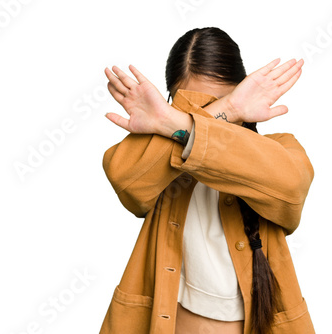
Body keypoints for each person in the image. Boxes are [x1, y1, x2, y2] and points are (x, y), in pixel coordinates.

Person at [100, 27, 315, 334]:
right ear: (170, 104)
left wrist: (215, 113)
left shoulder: (280, 150)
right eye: (190, 106)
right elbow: (126, 182)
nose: (200, 115)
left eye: (221, 102)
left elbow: (290, 188)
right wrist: (219, 111)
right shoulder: (156, 155)